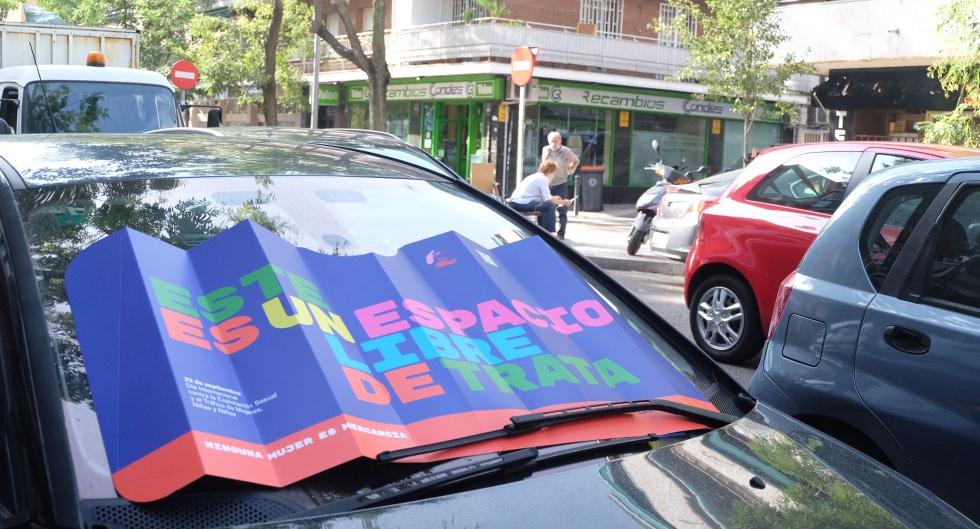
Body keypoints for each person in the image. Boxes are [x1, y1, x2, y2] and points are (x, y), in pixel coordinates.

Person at [509, 160, 574, 235]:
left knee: (545, 207)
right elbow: (548, 199)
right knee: (550, 207)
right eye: (553, 174)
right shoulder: (543, 179)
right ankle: (548, 233)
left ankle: (542, 231)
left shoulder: (535, 176)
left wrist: (553, 198)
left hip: (516, 202)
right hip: (521, 203)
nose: (553, 176)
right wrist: (564, 202)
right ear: (549, 171)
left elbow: (545, 198)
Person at [541, 131, 580, 240]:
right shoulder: (545, 150)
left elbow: (576, 161)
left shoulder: (567, 152)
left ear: (560, 141)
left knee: (562, 210)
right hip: (548, 184)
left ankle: (561, 233)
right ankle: (546, 232)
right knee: (547, 208)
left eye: (556, 141)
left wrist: (571, 170)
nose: (553, 144)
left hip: (561, 183)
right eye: (551, 141)